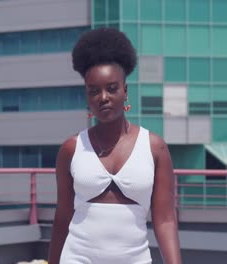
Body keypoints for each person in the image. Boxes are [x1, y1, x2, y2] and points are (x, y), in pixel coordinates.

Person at [48, 27, 182, 264]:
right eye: (94, 91)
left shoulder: (154, 148)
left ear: (125, 91)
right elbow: (63, 216)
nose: (103, 97)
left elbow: (165, 219)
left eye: (111, 88)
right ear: (87, 97)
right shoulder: (71, 149)